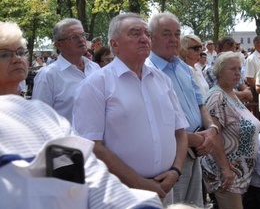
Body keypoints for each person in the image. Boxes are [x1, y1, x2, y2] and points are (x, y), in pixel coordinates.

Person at [0, 21, 162, 208]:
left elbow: (85, 177)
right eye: (4, 54)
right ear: (59, 45)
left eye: (20, 52)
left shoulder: (45, 117)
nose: (16, 59)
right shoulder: (49, 77)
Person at [73, 13, 188, 204]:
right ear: (115, 44)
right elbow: (92, 145)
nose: (144, 38)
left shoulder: (162, 80)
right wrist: (141, 183)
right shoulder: (96, 84)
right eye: (135, 33)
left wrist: (175, 171)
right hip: (121, 193)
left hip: (165, 187)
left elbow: (180, 131)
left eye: (147, 34)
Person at [147, 13, 219, 207]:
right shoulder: (147, 72)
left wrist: (212, 130)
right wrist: (191, 139)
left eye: (177, 34)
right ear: (151, 37)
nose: (173, 39)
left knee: (194, 205)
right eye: (166, 34)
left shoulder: (185, 69)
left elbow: (200, 104)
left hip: (197, 151)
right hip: (171, 157)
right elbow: (153, 122)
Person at [201, 51, 260, 209]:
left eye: (239, 68)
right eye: (232, 69)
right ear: (219, 72)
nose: (237, 73)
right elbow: (213, 135)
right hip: (227, 174)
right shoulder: (216, 97)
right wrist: (225, 169)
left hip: (241, 172)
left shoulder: (232, 94)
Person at [32, 18, 100, 122]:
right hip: (67, 137)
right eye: (73, 37)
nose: (81, 40)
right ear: (59, 45)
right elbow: (40, 119)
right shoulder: (48, 76)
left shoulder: (95, 68)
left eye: (83, 35)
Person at [179, 34, 210, 99]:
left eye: (200, 47)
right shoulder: (182, 71)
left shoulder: (198, 69)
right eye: (195, 48)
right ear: (184, 50)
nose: (200, 50)